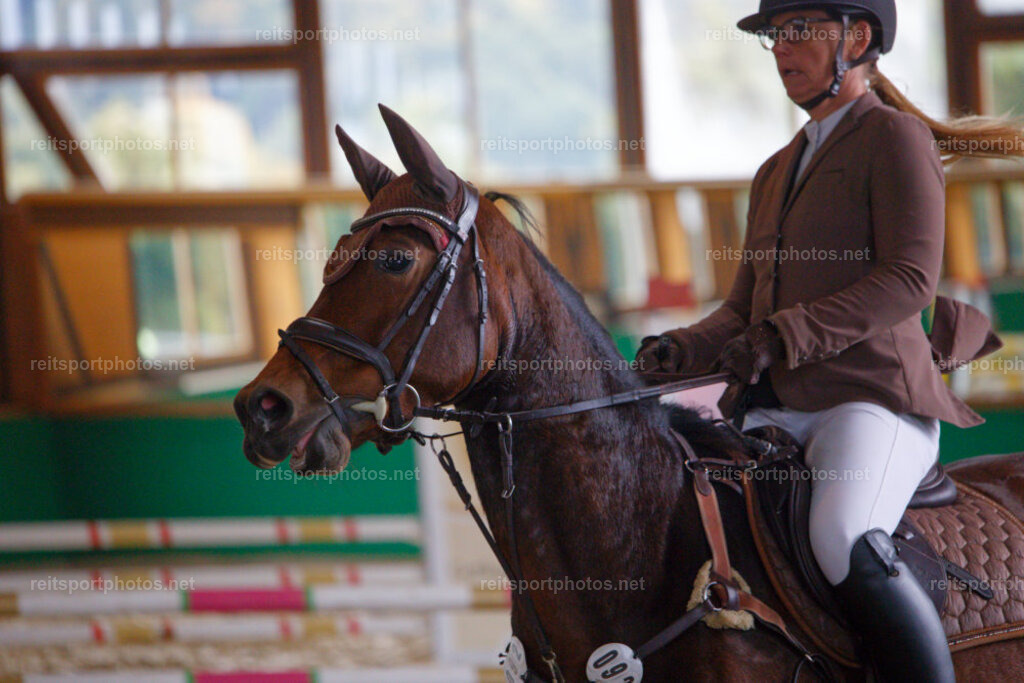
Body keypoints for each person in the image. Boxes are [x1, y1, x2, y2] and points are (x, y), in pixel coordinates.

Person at [637, 1, 1017, 680]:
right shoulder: (775, 169)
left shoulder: (895, 139)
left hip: (871, 402)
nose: (782, 48)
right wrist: (680, 349)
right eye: (776, 36)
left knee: (841, 536)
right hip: (775, 411)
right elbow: (742, 310)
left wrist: (785, 334)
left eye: (798, 31)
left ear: (857, 37)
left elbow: (908, 280)